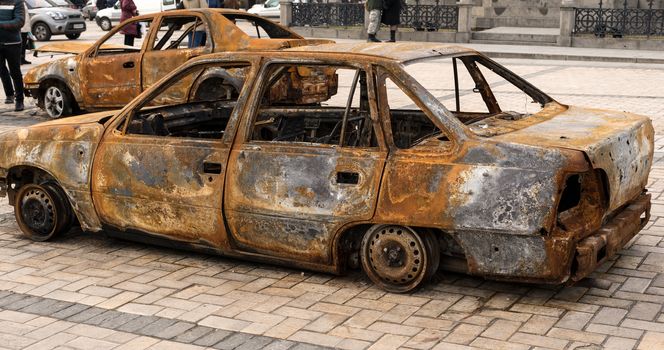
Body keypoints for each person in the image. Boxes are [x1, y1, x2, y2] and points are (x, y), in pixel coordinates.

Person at [0, 0, 26, 111]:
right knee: (1, 70)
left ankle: (19, 100)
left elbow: (19, 21)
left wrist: (1, 24)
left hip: (13, 43)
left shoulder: (17, 2)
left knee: (15, 72)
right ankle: (9, 94)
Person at [20, 0, 29, 64]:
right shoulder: (18, 3)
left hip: (25, 28)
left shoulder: (24, 3)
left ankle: (23, 58)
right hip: (20, 28)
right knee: (20, 45)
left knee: (24, 45)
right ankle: (19, 59)